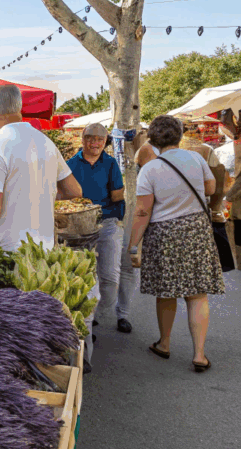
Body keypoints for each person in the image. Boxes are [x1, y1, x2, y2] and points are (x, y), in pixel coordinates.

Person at [128, 115, 223, 372]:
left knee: (166, 291)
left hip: (164, 232)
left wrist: (134, 245)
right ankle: (200, 355)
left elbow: (142, 212)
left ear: (152, 140)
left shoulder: (150, 169)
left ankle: (165, 343)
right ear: (179, 135)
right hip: (196, 230)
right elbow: (211, 188)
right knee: (197, 293)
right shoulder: (195, 158)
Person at [0, 85, 82, 253]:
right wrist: (35, 194)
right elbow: (74, 190)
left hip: (8, 256)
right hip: (44, 254)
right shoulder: (46, 143)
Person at [66, 123, 125, 330]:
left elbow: (118, 195)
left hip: (107, 222)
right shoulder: (70, 164)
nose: (95, 143)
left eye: (100, 139)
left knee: (110, 276)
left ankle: (98, 311)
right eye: (90, 138)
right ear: (82, 140)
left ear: (105, 142)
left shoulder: (110, 164)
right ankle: (88, 316)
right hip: (78, 226)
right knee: (83, 273)